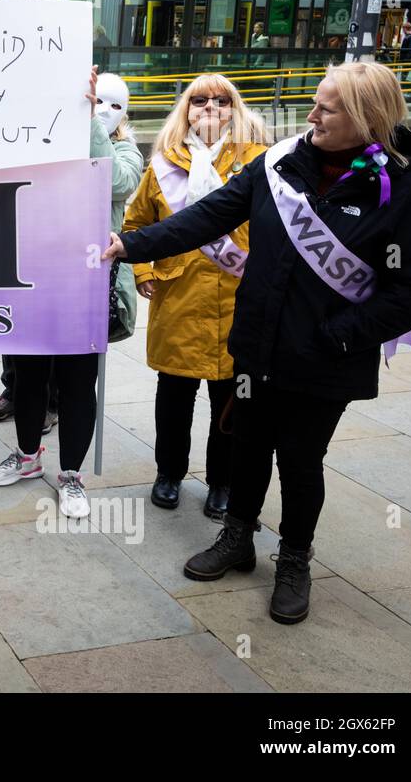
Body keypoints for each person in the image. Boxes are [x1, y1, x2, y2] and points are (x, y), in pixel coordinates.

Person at [104, 61, 411, 624]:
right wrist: (129, 245)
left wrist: (338, 337)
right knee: (248, 445)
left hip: (327, 360)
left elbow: (410, 291)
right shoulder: (281, 163)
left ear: (365, 117)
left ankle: (294, 559)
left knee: (302, 462)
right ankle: (238, 538)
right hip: (257, 346)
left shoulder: (406, 192)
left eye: (327, 108)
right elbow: (209, 216)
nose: (312, 115)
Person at [0, 69, 143, 519]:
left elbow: (114, 182)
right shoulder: (37, 142)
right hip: (34, 277)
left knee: (76, 381)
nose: (105, 110)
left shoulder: (125, 149)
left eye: (114, 104)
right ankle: (28, 455)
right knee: (29, 375)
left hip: (87, 286)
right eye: (98, 102)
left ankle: (71, 474)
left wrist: (90, 120)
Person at [122, 75, 269, 519]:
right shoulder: (162, 166)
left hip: (238, 301)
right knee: (174, 397)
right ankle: (169, 473)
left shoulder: (261, 163)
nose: (210, 107)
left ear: (235, 109)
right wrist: (144, 269)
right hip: (179, 299)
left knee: (229, 402)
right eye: (199, 99)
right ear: (185, 109)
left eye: (221, 100)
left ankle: (221, 482)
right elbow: (135, 226)